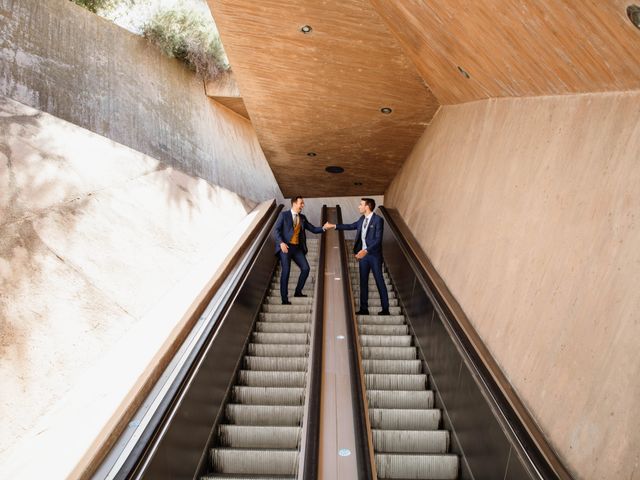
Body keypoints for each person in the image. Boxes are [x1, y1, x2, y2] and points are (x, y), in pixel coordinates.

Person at [325, 198, 390, 315]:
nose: (359, 206)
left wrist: (366, 250)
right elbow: (351, 226)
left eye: (361, 204)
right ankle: (364, 309)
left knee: (379, 280)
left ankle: (385, 309)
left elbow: (378, 240)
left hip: (374, 256)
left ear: (367, 206)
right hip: (363, 257)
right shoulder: (361, 219)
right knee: (363, 282)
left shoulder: (378, 220)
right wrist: (333, 225)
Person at [274, 196, 328, 305]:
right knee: (286, 271)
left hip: (297, 248)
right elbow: (276, 230)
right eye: (301, 203)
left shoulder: (302, 217)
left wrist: (323, 227)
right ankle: (284, 299)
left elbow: (312, 228)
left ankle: (298, 291)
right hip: (286, 248)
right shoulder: (284, 215)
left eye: (303, 203)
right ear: (294, 203)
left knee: (306, 268)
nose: (303, 205)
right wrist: (281, 243)